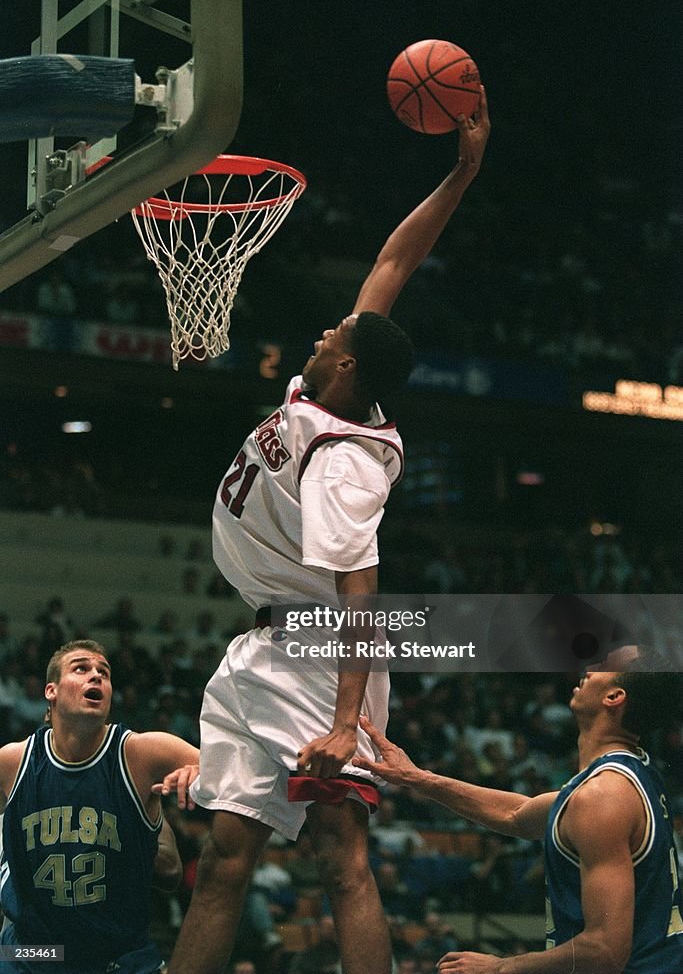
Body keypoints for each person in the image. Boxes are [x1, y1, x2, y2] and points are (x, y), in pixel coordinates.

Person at [161, 89, 491, 974]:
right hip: (259, 648)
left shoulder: (345, 456)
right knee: (225, 859)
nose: (322, 328)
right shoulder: (327, 389)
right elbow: (394, 259)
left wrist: (347, 726)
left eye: (333, 332)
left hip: (317, 659)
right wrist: (460, 172)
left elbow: (360, 595)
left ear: (344, 364)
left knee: (338, 854)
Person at [354, 662, 683, 973]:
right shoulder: (627, 775)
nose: (591, 668)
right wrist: (416, 778)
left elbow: (605, 950)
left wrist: (501, 966)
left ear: (614, 697)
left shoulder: (603, 797)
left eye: (605, 666)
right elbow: (516, 814)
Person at [0, 639, 200, 974]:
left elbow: (234, 771)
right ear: (51, 690)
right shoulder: (12, 761)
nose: (96, 677)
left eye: (104, 673)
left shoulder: (142, 752)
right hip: (37, 954)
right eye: (81, 668)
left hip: (118, 956)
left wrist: (203, 768)